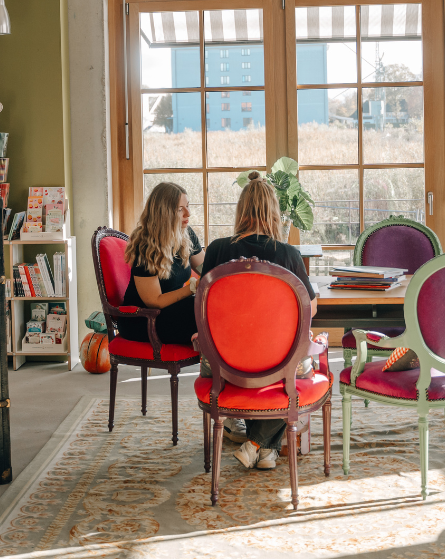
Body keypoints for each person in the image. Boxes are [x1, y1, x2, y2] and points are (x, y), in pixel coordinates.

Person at [200, 170, 318, 470]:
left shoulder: (216, 250)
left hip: (222, 361)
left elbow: (200, 305)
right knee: (297, 367)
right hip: (274, 362)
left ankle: (261, 447)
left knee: (274, 366)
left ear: (241, 211)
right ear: (274, 213)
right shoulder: (288, 254)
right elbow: (310, 309)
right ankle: (261, 446)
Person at [117, 182, 205, 345]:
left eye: (188, 206)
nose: (188, 213)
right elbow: (154, 301)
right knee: (203, 312)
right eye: (180, 209)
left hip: (173, 311)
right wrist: (193, 287)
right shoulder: (145, 246)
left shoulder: (186, 234)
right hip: (143, 319)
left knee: (211, 306)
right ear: (164, 213)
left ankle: (213, 360)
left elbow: (205, 268)